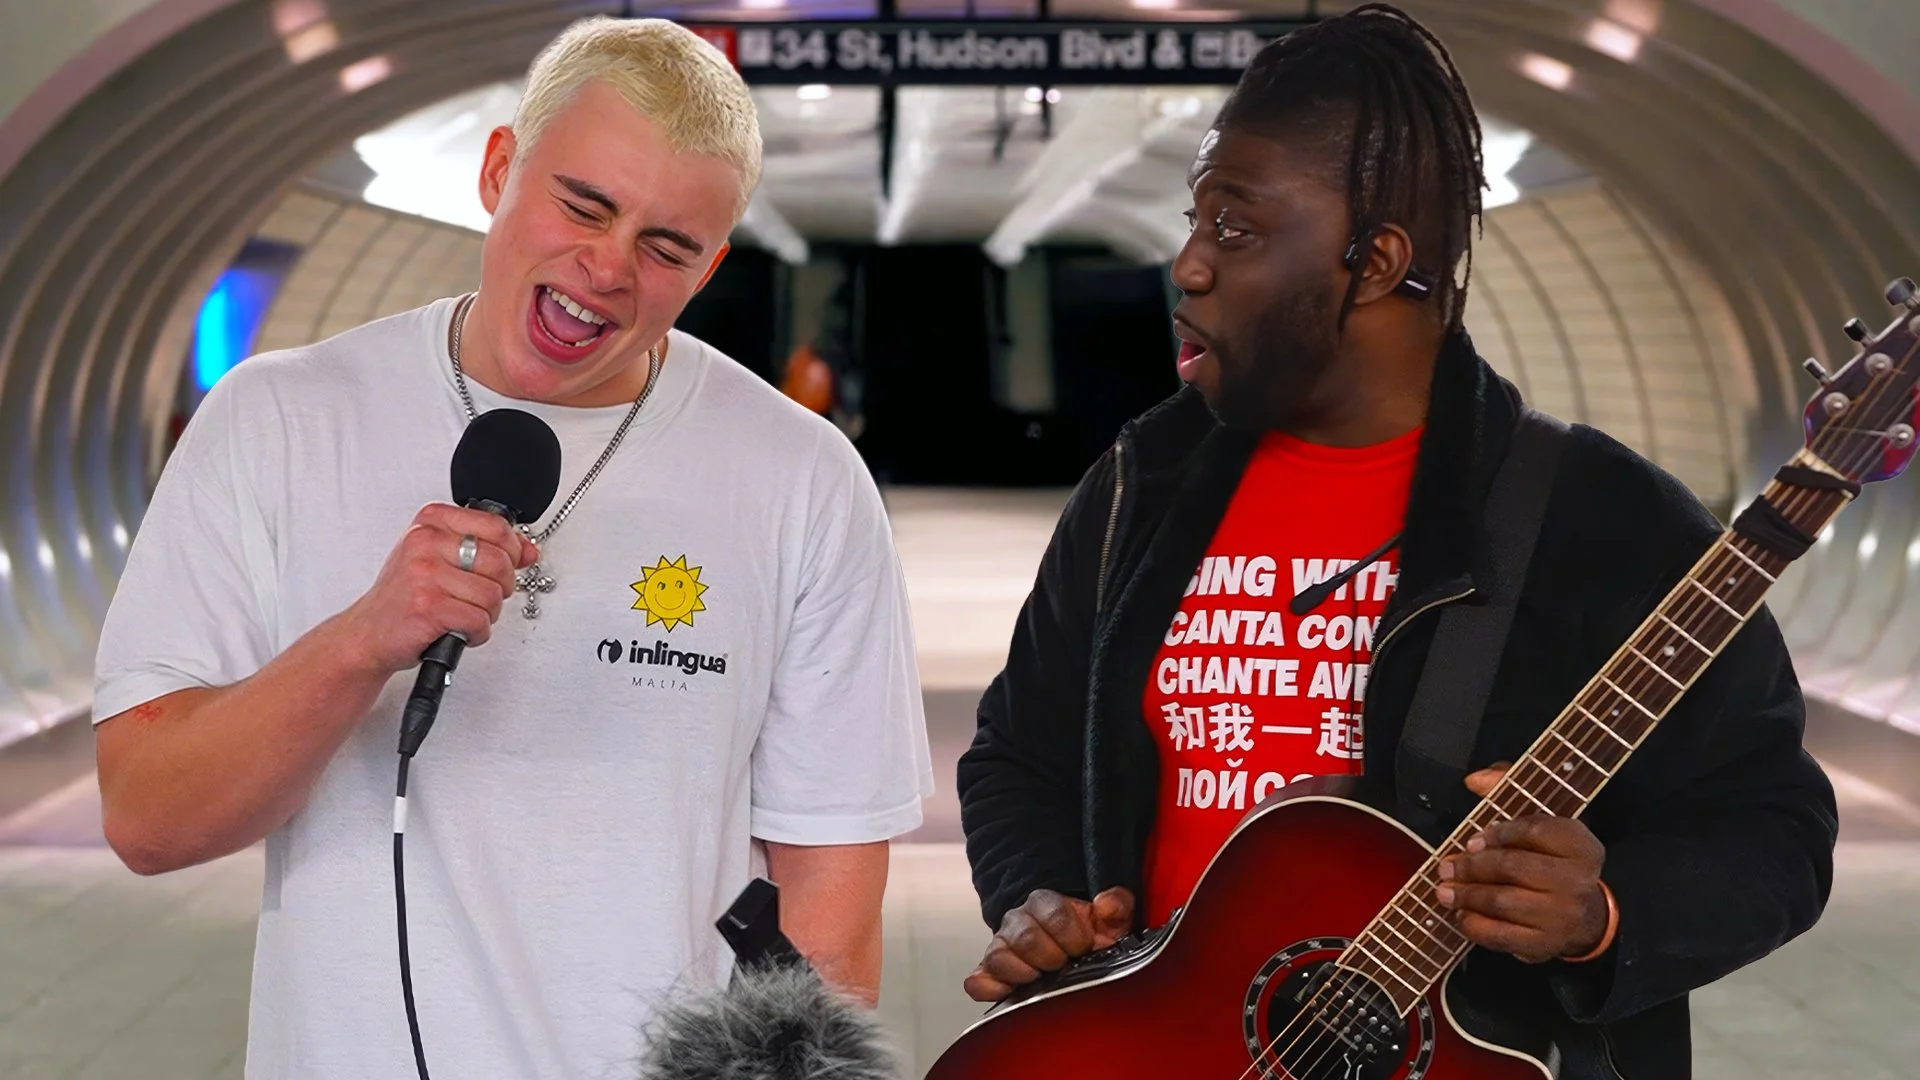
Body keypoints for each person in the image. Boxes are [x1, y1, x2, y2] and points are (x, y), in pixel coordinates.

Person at [954, 5, 1836, 1077]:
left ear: (1374, 261)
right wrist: (1038, 897)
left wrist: (1602, 913)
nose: (1187, 265)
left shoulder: (1605, 521)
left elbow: (1776, 829)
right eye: (1194, 222)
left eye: (1235, 228)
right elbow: (1020, 751)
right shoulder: (1141, 488)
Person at [92, 17, 932, 1080]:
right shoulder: (278, 421)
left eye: (667, 247)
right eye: (584, 205)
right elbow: (149, 818)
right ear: (498, 171)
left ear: (709, 266)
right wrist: (360, 643)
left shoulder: (800, 478)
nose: (607, 267)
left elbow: (831, 893)